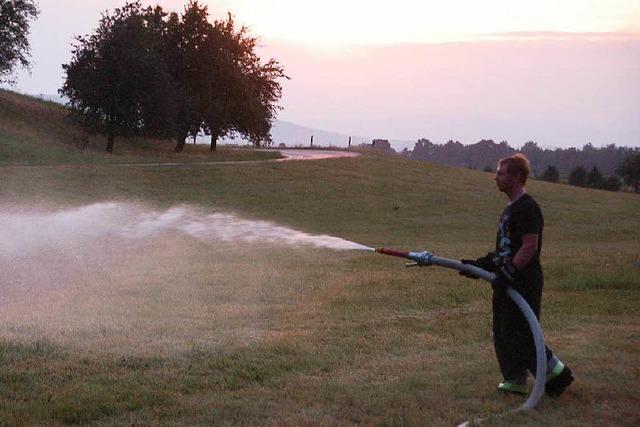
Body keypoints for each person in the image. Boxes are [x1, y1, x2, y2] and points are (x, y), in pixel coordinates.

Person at [460, 153, 574, 396]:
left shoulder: (527, 208)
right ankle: (515, 380)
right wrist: (479, 266)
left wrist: (509, 274)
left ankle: (557, 374)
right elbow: (505, 250)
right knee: (502, 331)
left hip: (523, 282)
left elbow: (529, 246)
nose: (496, 178)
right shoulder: (510, 210)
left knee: (522, 332)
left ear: (517, 177)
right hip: (506, 281)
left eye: (501, 173)